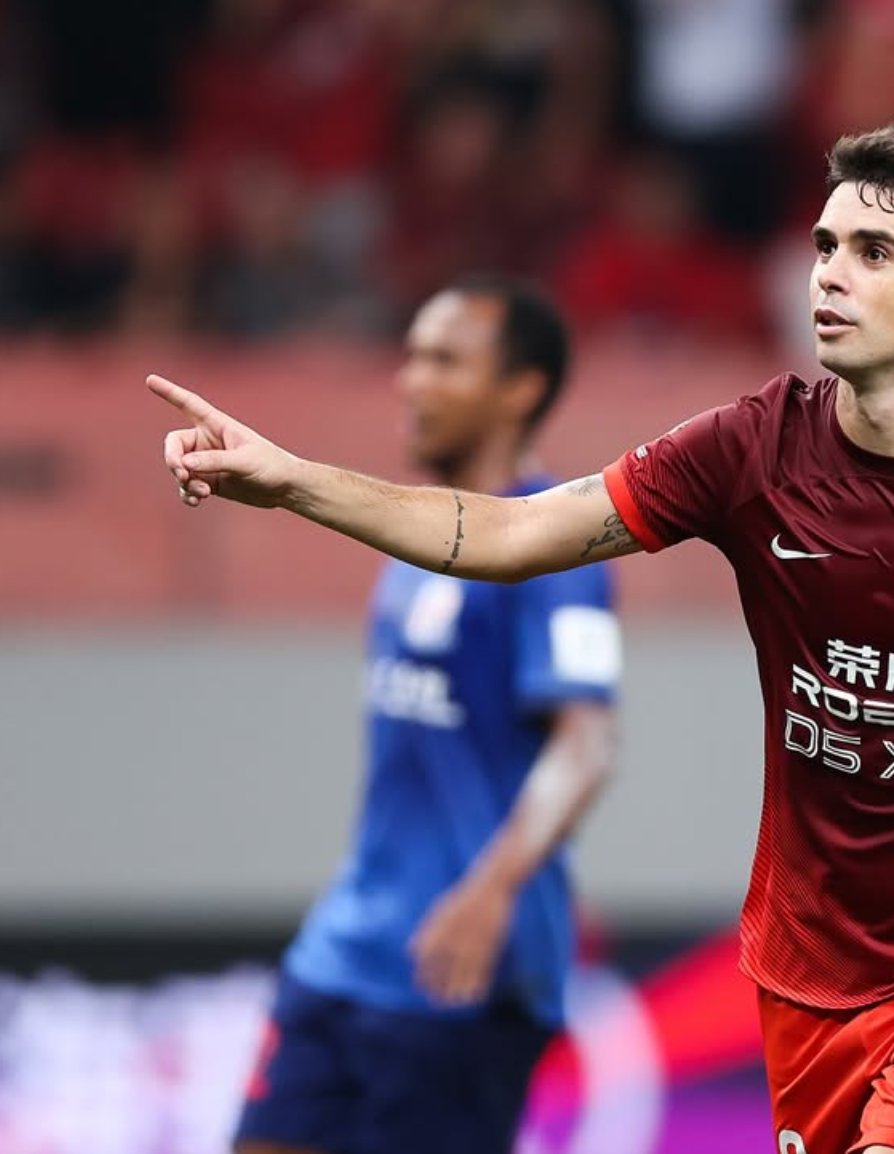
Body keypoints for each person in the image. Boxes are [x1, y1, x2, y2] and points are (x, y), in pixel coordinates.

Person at [153, 127, 894, 1154]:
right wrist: (293, 481)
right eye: (825, 246)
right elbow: (513, 532)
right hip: (810, 959)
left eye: (873, 252)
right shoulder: (751, 449)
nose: (829, 275)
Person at [229, 276, 622, 1154]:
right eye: (411, 356)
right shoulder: (413, 542)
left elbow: (587, 744)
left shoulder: (556, 550)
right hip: (344, 952)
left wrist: (491, 889)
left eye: (444, 361)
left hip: (459, 970)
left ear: (519, 389)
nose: (411, 380)